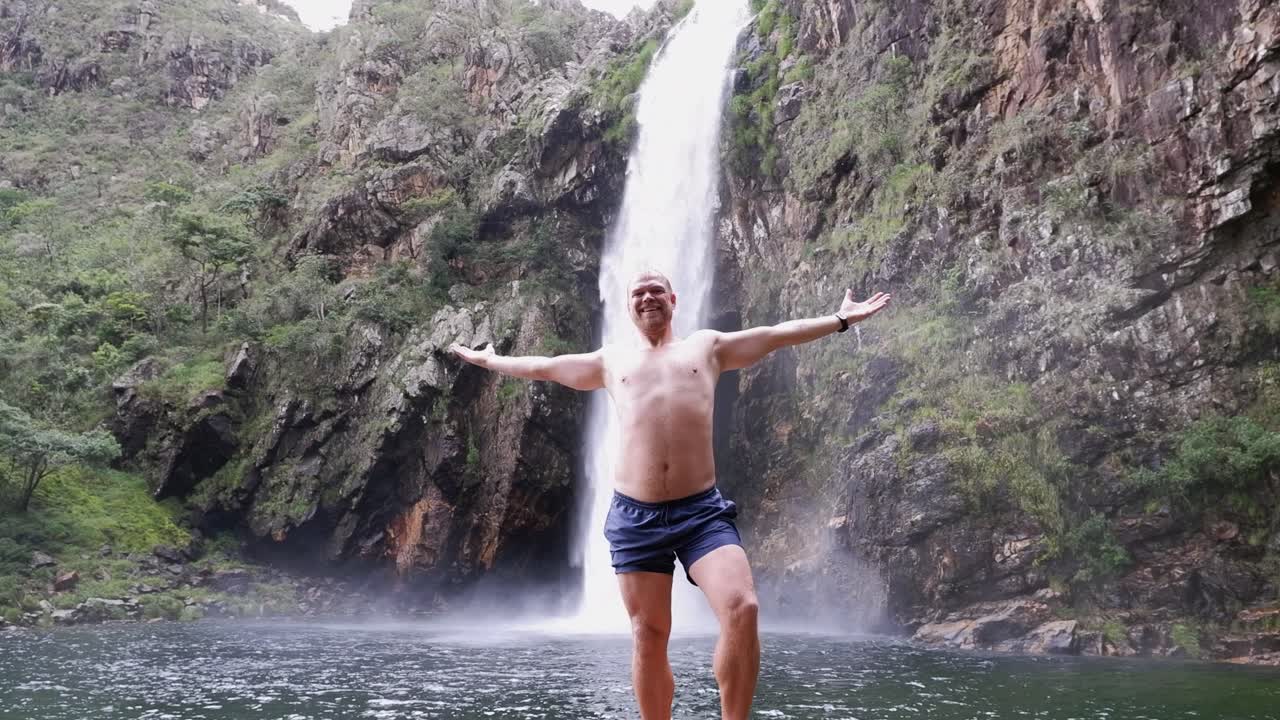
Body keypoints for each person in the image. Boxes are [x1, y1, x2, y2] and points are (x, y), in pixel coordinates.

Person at [450, 270, 891, 720]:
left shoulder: (707, 347)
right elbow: (544, 366)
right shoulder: (610, 361)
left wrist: (840, 319)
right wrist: (491, 362)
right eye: (637, 293)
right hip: (634, 516)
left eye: (655, 291)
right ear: (628, 307)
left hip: (701, 511)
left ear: (673, 299)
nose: (647, 298)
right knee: (648, 632)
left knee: (743, 607)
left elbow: (775, 336)